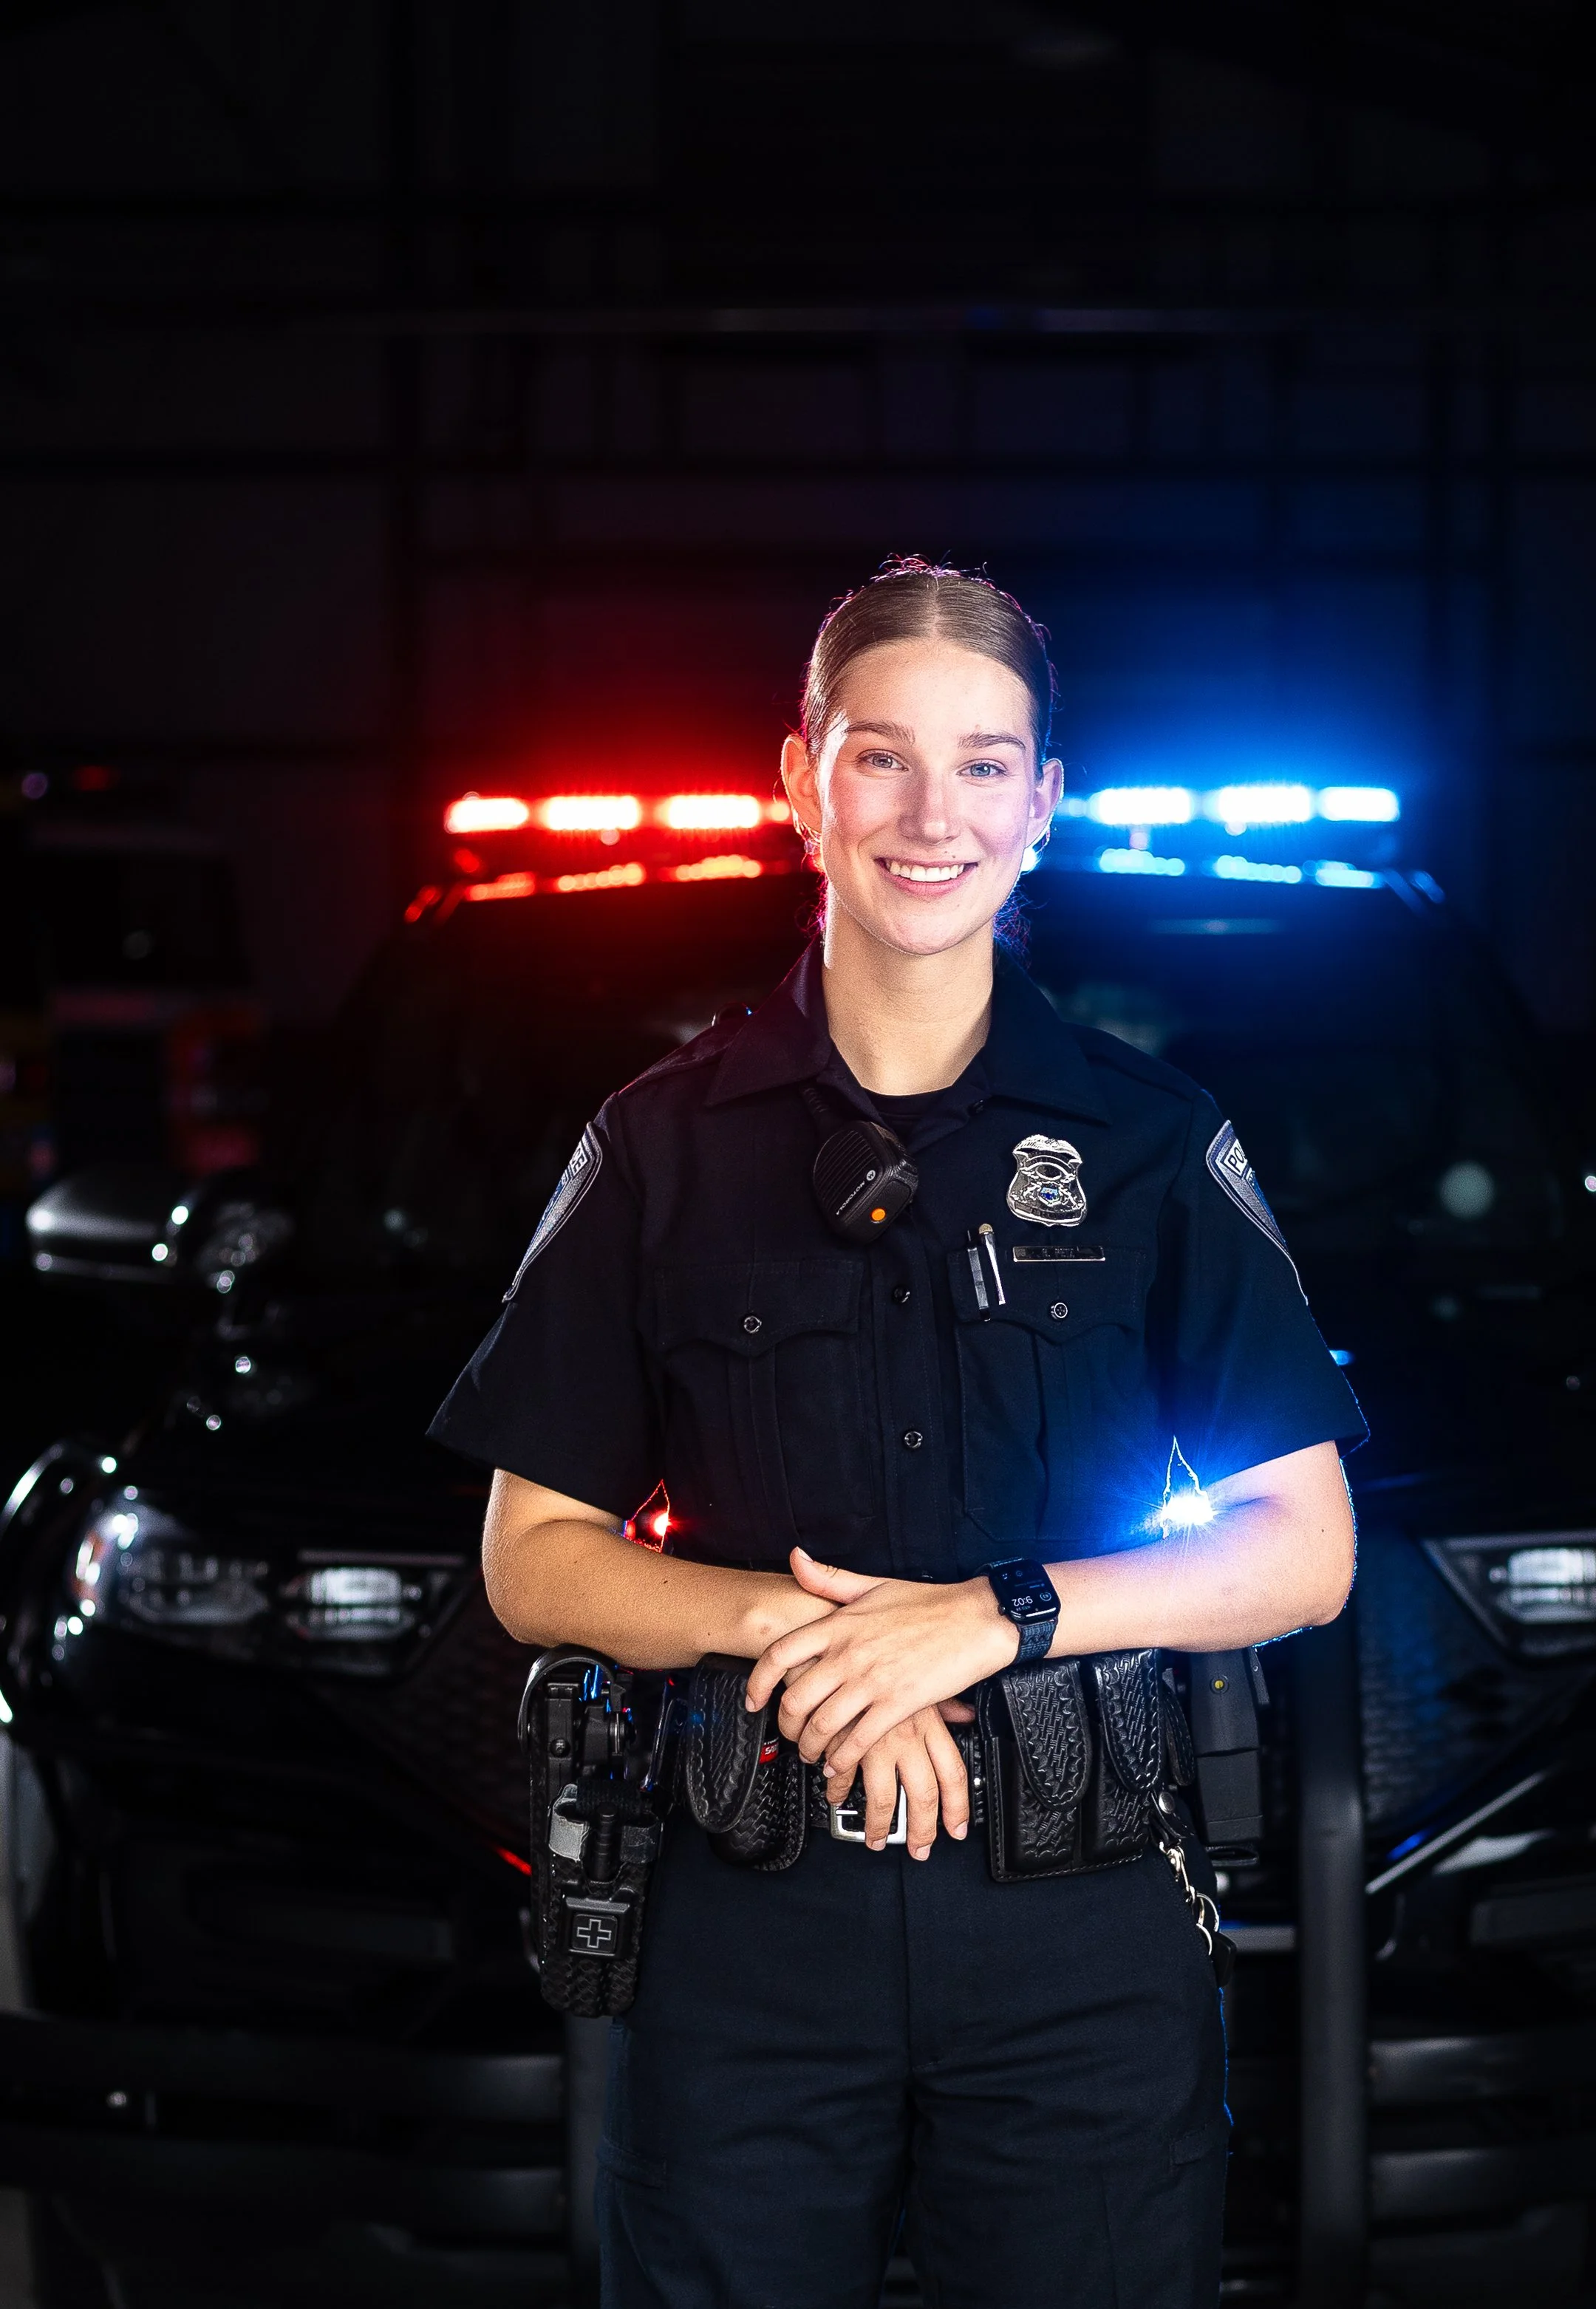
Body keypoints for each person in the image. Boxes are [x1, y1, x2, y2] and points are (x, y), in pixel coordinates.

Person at [430, 558, 1365, 2309]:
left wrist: (985, 1617)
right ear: (799, 779)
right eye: (879, 756)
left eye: (984, 762)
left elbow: (1300, 1549)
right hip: (744, 1930)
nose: (929, 813)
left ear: (1041, 803)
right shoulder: (658, 1147)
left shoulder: (1153, 1145)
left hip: (1079, 1937)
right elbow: (531, 1556)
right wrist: (815, 1640)